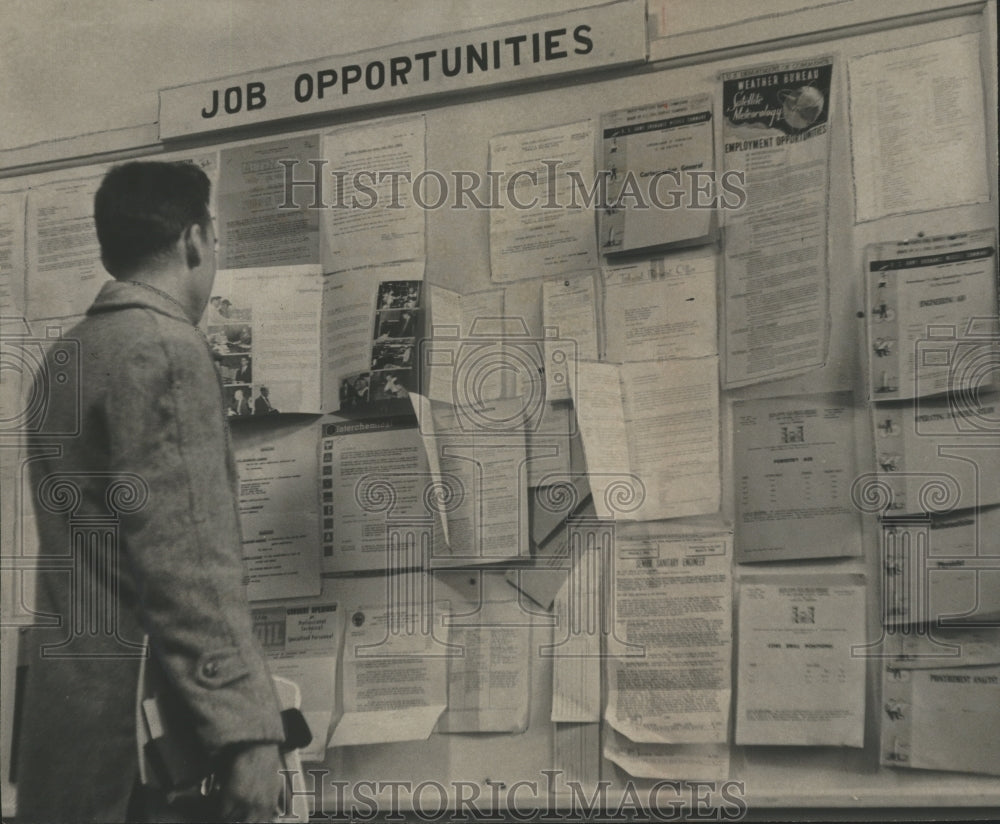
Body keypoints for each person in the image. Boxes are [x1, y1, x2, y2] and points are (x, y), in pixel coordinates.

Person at [16, 161, 285, 823]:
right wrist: (248, 731)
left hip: (70, 739)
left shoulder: (69, 355)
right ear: (196, 239)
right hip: (147, 755)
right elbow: (187, 561)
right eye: (213, 239)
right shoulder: (164, 349)